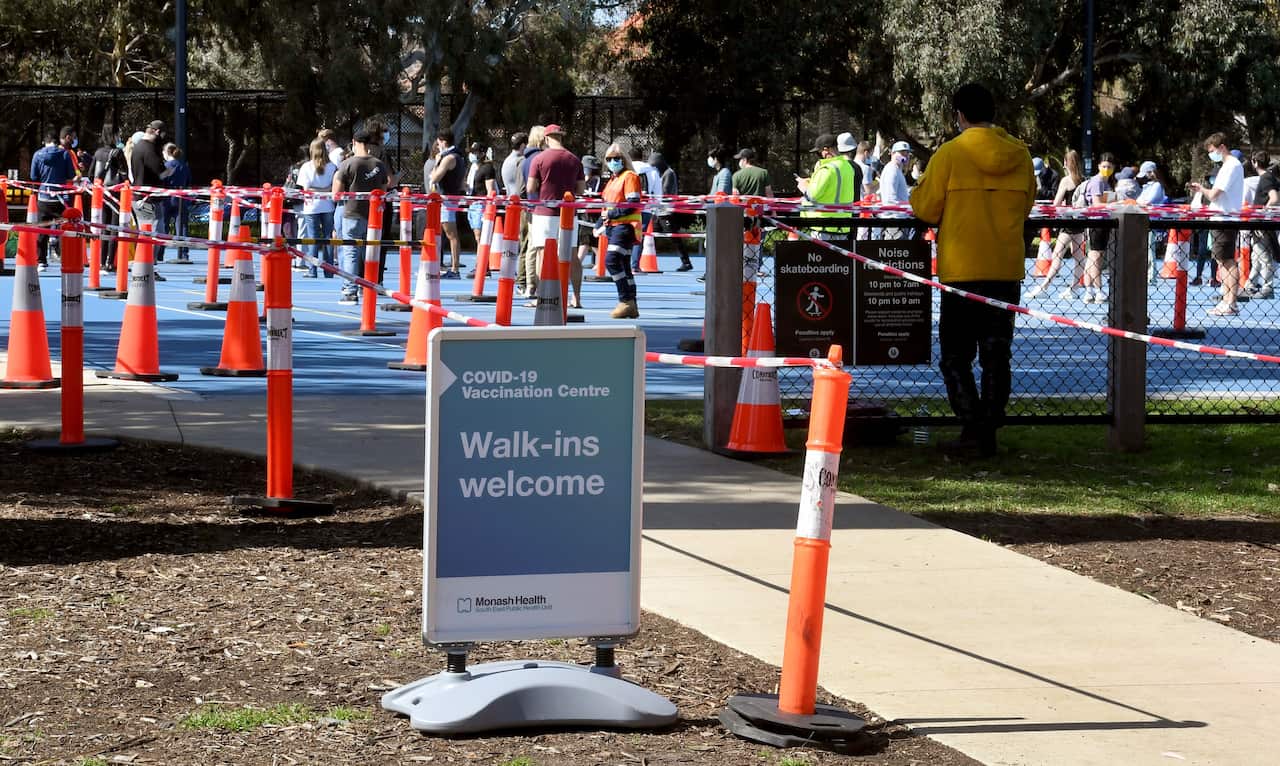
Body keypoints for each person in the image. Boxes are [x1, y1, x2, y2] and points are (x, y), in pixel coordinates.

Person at [911, 82, 1035, 458]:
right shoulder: (1021, 155)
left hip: (963, 271)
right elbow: (1027, 206)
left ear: (960, 115)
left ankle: (971, 423)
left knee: (955, 355)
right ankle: (989, 428)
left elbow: (926, 209)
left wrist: (918, 192)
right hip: (1005, 268)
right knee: (997, 354)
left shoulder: (950, 154)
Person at [332, 121, 396, 304]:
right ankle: (367, 285)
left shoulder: (347, 164)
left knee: (351, 250)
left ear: (354, 142)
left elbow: (336, 193)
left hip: (352, 213)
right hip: (374, 216)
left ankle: (350, 290)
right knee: (369, 251)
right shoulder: (379, 164)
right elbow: (383, 191)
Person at [524, 123, 584, 306]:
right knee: (572, 255)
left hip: (544, 213)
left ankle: (546, 296)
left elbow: (530, 187)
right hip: (568, 213)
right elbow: (580, 189)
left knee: (544, 254)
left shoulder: (539, 159)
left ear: (547, 138)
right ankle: (576, 297)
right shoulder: (574, 159)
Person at [1189, 133, 1245, 316]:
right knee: (1222, 260)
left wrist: (1201, 189)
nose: (1211, 155)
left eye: (1212, 151)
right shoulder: (1229, 166)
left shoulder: (1231, 166)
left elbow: (1214, 194)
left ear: (1222, 147)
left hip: (1225, 218)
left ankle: (1231, 302)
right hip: (1221, 217)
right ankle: (1226, 300)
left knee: (1227, 261)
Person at [1025, 149, 1087, 301]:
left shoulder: (1066, 181)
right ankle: (1075, 288)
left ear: (1066, 163)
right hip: (1079, 222)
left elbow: (1056, 203)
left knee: (1058, 254)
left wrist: (1062, 205)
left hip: (1067, 223)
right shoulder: (1083, 179)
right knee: (1079, 256)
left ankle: (1045, 286)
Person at [598, 142, 642, 318]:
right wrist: (598, 224)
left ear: (624, 159)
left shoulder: (630, 176)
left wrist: (613, 214)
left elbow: (633, 203)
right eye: (609, 159)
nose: (612, 161)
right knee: (624, 265)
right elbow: (605, 207)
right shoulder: (612, 180)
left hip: (625, 226)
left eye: (616, 158)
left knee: (612, 260)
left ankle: (625, 300)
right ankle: (632, 303)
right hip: (613, 226)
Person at [29, 126, 78, 269]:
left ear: (45, 141)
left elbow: (33, 177)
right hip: (61, 198)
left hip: (44, 197)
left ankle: (41, 261)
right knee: (65, 228)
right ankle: (66, 257)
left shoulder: (37, 155)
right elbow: (70, 175)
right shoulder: (64, 154)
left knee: (42, 229)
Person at [796, 132, 856, 239]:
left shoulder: (827, 169)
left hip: (822, 227)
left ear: (826, 150)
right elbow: (834, 189)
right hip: (843, 225)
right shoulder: (847, 167)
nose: (819, 156)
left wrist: (803, 186)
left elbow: (812, 195)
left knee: (820, 255)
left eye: (819, 153)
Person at [128, 120, 172, 264]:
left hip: (139, 196)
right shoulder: (149, 149)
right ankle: (147, 266)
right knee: (154, 233)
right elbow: (161, 173)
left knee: (146, 233)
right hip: (149, 199)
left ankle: (146, 266)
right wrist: (170, 170)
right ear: (158, 132)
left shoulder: (138, 147)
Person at [428, 128, 466, 279]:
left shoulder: (449, 158)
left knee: (451, 234)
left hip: (447, 200)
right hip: (448, 199)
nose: (438, 147)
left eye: (438, 143)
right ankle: (445, 265)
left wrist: (437, 162)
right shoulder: (457, 156)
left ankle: (455, 269)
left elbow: (435, 177)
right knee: (446, 234)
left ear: (443, 141)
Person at [297, 138, 338, 279]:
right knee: (327, 238)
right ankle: (329, 270)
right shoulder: (332, 167)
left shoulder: (306, 167)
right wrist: (324, 190)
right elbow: (333, 187)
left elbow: (306, 189)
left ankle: (312, 269)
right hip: (327, 205)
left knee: (313, 238)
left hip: (311, 206)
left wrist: (316, 190)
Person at [1080, 152, 1117, 303]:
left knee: (1094, 257)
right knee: (1095, 257)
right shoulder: (1097, 182)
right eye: (1104, 166)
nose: (1106, 169)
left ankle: (1089, 291)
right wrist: (1116, 204)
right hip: (1096, 222)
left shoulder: (1108, 182)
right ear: (1099, 166)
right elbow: (1096, 204)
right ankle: (1098, 290)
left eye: (1109, 166)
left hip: (1104, 222)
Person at [515, 125, 545, 297]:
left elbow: (521, 189)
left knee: (529, 246)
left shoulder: (524, 160)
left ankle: (527, 283)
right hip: (537, 208)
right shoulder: (538, 159)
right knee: (534, 246)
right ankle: (531, 284)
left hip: (528, 206)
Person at [1244, 151, 1278, 299]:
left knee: (1263, 255)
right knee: (1256, 254)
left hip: (1262, 223)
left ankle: (1267, 286)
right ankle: (1250, 284)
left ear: (1255, 162)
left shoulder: (1265, 178)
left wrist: (1263, 212)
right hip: (1260, 222)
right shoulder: (1269, 178)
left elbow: (1274, 197)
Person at [91, 132, 127, 270]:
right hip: (116, 193)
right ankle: (110, 262)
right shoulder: (118, 153)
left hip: (101, 193)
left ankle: (101, 260)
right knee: (114, 227)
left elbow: (91, 173)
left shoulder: (98, 153)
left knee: (103, 227)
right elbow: (125, 174)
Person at [650, 151, 692, 271]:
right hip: (659, 211)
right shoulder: (661, 173)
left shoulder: (669, 173)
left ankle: (686, 262)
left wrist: (654, 195)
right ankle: (643, 259)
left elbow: (665, 192)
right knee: (650, 236)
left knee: (674, 237)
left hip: (666, 211)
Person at [628, 147, 661, 270]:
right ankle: (635, 265)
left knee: (626, 233)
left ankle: (625, 262)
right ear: (642, 156)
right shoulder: (652, 171)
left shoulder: (627, 170)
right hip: (646, 206)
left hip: (629, 206)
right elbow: (658, 192)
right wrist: (656, 209)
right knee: (639, 236)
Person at [160, 143, 192, 263]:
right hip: (181, 199)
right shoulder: (184, 166)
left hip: (167, 199)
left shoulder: (166, 166)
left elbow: (162, 180)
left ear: (167, 152)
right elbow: (188, 181)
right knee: (182, 227)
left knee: (164, 226)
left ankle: (160, 253)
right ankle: (184, 253)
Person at [501, 132, 528, 197]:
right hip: (519, 202)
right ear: (523, 145)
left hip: (510, 200)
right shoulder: (522, 161)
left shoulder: (507, 161)